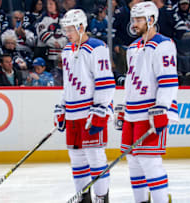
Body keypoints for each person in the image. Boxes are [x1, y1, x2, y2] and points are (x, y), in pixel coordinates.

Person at [115, 2, 177, 203]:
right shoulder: (133, 47)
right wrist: (123, 106)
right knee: (133, 161)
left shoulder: (163, 45)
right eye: (133, 19)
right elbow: (131, 81)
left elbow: (168, 81)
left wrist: (162, 108)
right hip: (132, 112)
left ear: (151, 20)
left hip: (150, 112)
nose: (134, 23)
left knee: (150, 161)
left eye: (139, 19)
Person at [54, 9, 115, 203]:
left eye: (70, 29)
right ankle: (83, 198)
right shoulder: (66, 51)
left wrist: (100, 109)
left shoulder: (97, 48)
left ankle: (101, 198)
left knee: (96, 157)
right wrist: (61, 107)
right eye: (65, 29)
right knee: (77, 159)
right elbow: (68, 84)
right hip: (72, 113)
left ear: (81, 27)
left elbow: (106, 82)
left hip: (90, 113)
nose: (67, 34)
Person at [35, 0, 67, 69]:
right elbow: (41, 33)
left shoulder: (63, 18)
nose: (49, 6)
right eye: (47, 4)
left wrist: (60, 43)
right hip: (45, 53)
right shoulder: (42, 18)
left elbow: (67, 33)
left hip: (60, 54)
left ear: (56, 5)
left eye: (51, 4)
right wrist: (53, 42)